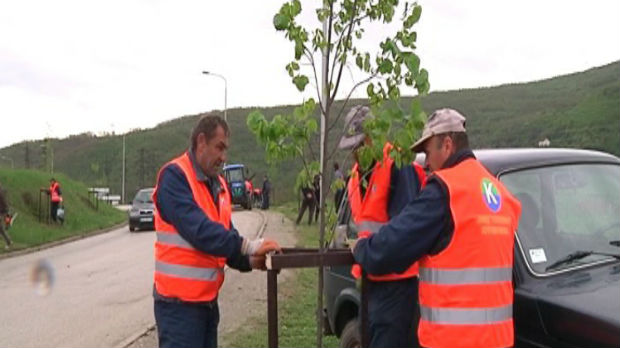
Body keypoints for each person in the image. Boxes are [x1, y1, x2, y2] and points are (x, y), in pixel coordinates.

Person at [352, 108, 522, 348]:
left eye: (428, 152)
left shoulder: (445, 191)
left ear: (448, 145)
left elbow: (391, 247)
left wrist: (362, 249)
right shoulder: (500, 194)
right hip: (498, 340)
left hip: (453, 341)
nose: (427, 163)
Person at [152, 114, 281, 348]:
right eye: (219, 148)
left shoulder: (219, 185)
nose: (223, 157)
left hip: (208, 305)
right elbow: (200, 231)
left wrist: (252, 261)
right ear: (201, 141)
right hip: (178, 308)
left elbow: (224, 241)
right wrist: (250, 245)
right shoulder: (174, 177)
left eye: (226, 150)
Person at [340, 105, 427, 348]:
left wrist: (367, 250)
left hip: (396, 284)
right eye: (352, 147)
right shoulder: (357, 176)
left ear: (375, 136)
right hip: (369, 281)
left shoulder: (398, 164)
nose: (356, 152)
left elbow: (405, 233)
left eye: (360, 144)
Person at [0, 184, 13, 249]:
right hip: (3, 210)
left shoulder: (1, 192)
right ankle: (8, 241)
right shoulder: (2, 190)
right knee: (1, 229)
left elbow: (4, 202)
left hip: (2, 210)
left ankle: (9, 242)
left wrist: (6, 212)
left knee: (1, 228)